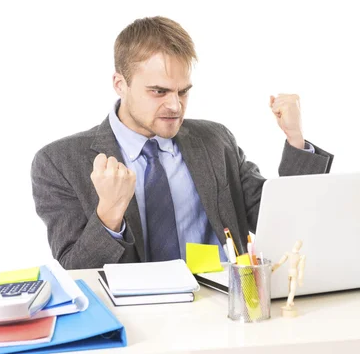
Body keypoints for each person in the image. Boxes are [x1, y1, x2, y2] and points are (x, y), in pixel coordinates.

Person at [31, 16, 333, 270]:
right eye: (159, 92)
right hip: (137, 322)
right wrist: (109, 212)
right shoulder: (59, 162)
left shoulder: (216, 141)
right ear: (120, 84)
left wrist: (295, 139)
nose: (175, 106)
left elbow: (282, 221)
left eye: (183, 91)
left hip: (228, 309)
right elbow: (76, 272)